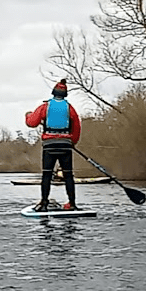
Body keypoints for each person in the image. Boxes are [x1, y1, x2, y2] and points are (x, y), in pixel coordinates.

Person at [25, 78, 82, 211]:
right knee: (68, 175)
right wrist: (72, 142)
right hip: (65, 145)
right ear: (65, 94)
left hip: (49, 145)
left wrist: (28, 115)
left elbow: (32, 123)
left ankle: (44, 203)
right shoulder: (70, 108)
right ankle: (72, 204)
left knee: (46, 174)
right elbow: (77, 127)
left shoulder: (45, 107)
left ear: (53, 92)